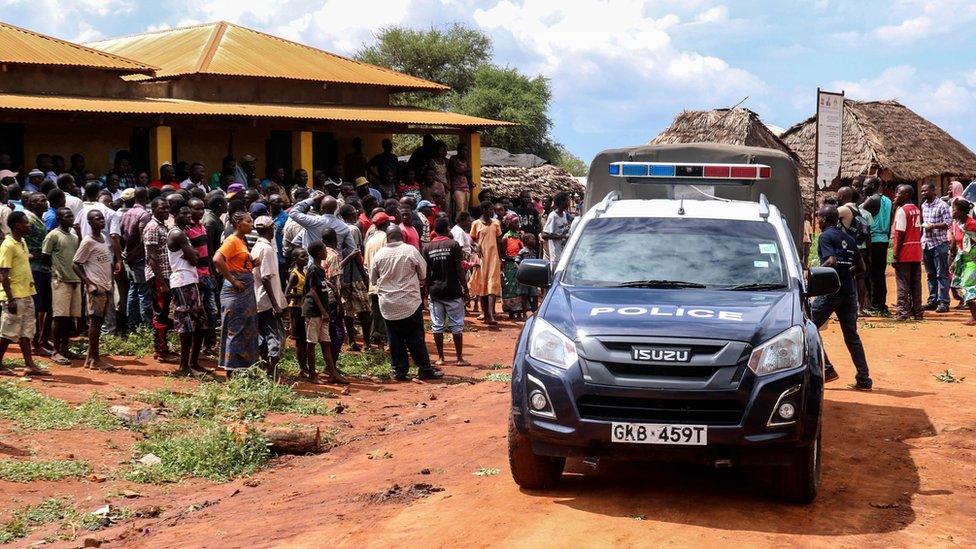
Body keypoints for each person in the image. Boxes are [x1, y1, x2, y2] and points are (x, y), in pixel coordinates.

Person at [811, 205, 872, 391]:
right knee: (852, 336)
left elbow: (831, 261)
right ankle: (864, 379)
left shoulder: (825, 237)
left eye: (818, 218)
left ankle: (827, 369)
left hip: (830, 292)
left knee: (809, 329)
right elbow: (861, 267)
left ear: (823, 219)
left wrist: (814, 276)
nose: (817, 221)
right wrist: (845, 274)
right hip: (848, 291)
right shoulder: (848, 238)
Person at [370, 226, 443, 381]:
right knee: (415, 337)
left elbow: (373, 279)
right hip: (409, 302)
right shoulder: (410, 250)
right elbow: (423, 273)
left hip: (388, 304)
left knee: (394, 338)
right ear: (401, 235)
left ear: (387, 238)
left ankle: (399, 371)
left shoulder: (379, 254)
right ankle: (424, 369)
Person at [165, 203, 210, 376]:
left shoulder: (183, 233)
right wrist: (193, 254)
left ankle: (193, 362)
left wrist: (193, 254)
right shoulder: (177, 233)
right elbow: (194, 258)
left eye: (188, 213)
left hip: (191, 279)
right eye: (183, 213)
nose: (188, 216)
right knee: (187, 323)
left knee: (199, 320)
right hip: (182, 281)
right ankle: (184, 366)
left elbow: (195, 256)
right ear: (174, 214)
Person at [213, 211, 259, 375]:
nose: (252, 224)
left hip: (244, 288)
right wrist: (233, 280)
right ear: (239, 224)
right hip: (236, 290)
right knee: (235, 328)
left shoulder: (241, 241)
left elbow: (238, 263)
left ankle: (243, 368)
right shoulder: (232, 240)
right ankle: (231, 371)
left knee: (246, 325)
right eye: (249, 221)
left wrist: (252, 264)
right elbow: (217, 259)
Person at [0, 211, 46, 376]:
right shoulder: (8, 245)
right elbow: (3, 274)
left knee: (27, 331)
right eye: (26, 223)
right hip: (14, 295)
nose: (29, 225)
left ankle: (30, 365)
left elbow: (22, 261)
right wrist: (10, 299)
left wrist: (33, 256)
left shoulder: (22, 242)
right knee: (8, 332)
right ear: (17, 225)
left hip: (26, 292)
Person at [71, 210, 115, 370]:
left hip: (106, 285)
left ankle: (91, 358)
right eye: (97, 219)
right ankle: (95, 360)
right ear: (89, 222)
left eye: (102, 219)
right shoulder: (88, 241)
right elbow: (75, 264)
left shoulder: (103, 238)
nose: (101, 222)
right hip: (96, 286)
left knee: (99, 321)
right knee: (95, 323)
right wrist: (89, 283)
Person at [423, 217, 469, 366]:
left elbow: (426, 272)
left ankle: (441, 358)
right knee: (456, 326)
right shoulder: (453, 245)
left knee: (437, 326)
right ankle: (459, 358)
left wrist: (426, 291)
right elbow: (459, 269)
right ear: (447, 229)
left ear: (435, 230)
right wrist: (465, 289)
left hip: (435, 292)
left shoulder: (427, 248)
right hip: (452, 290)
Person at [41, 207, 83, 365]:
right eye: (67, 216)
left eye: (71, 216)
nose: (71, 219)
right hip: (60, 280)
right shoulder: (53, 235)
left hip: (75, 280)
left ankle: (65, 348)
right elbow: (45, 256)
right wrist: (55, 272)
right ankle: (56, 351)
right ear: (59, 218)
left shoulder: (73, 237)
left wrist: (79, 233)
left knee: (69, 318)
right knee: (59, 317)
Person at [302, 241, 347, 384]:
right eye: (324, 250)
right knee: (312, 342)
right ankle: (312, 374)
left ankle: (333, 373)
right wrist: (323, 311)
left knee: (326, 342)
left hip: (322, 312)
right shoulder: (314, 269)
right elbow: (313, 292)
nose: (326, 252)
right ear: (318, 253)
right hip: (313, 312)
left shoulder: (320, 269)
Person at [251, 216, 286, 374]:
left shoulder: (257, 247)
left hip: (258, 298)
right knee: (275, 336)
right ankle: (272, 371)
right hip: (267, 300)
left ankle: (265, 368)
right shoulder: (267, 249)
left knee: (263, 336)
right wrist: (275, 304)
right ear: (271, 228)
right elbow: (266, 277)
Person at [144, 198, 177, 362]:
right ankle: (161, 351)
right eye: (162, 208)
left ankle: (163, 347)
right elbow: (151, 257)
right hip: (158, 277)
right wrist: (162, 282)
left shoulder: (163, 226)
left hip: (166, 275)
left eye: (168, 208)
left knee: (164, 312)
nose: (166, 211)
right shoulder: (152, 227)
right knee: (160, 313)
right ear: (154, 209)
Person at [340, 204, 371, 351]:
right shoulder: (353, 229)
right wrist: (365, 275)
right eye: (354, 212)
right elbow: (356, 253)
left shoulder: (338, 227)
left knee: (348, 310)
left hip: (342, 275)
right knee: (364, 309)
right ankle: (366, 343)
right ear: (350, 215)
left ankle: (352, 341)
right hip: (354, 275)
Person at [25, 193, 52, 355]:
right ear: (33, 204)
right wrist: (32, 254)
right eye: (41, 200)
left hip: (44, 268)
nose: (45, 202)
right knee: (36, 307)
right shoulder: (30, 220)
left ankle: (42, 339)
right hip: (34, 268)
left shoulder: (40, 219)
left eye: (45, 199)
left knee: (47, 306)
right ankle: (34, 344)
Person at [891, 184, 924, 321]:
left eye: (898, 194)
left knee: (903, 282)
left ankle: (903, 311)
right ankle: (917, 311)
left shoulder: (902, 211)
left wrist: (895, 254)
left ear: (906, 195)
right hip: (916, 250)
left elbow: (899, 234)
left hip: (905, 250)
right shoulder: (916, 209)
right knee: (916, 282)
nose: (895, 196)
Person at [288, 194, 357, 258]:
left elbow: (293, 212)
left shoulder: (313, 221)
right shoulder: (344, 227)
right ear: (336, 208)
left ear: (321, 208)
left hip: (313, 265)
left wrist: (312, 200)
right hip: (334, 266)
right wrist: (338, 254)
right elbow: (351, 248)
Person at [468, 201, 502, 325]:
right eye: (490, 209)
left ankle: (491, 315)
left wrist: (500, 258)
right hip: (481, 258)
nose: (492, 212)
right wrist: (476, 246)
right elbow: (471, 240)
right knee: (482, 285)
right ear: (484, 210)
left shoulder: (496, 223)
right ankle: (485, 313)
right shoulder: (476, 224)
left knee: (492, 284)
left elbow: (498, 242)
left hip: (493, 258)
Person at [919, 183, 951, 313]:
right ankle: (932, 300)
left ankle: (944, 302)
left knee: (941, 274)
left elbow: (948, 223)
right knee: (930, 274)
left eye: (925, 191)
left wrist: (933, 226)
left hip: (939, 244)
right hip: (927, 243)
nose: (923, 193)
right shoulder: (923, 205)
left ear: (933, 190)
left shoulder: (943, 205)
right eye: (921, 191)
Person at [862, 177, 892, 316]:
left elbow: (860, 216)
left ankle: (874, 304)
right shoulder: (888, 200)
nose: (863, 188)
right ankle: (881, 304)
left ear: (873, 185)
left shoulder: (871, 200)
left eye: (865, 185)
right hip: (884, 239)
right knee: (880, 274)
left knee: (871, 274)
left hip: (872, 240)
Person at [364, 212, 392, 349]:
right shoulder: (386, 238)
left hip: (372, 283)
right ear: (386, 224)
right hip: (386, 284)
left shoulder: (370, 241)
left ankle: (379, 344)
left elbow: (365, 264)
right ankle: (386, 343)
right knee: (387, 315)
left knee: (376, 313)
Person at [949, 199, 976, 325]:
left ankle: (975, 317)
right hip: (962, 259)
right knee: (959, 284)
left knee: (967, 285)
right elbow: (957, 241)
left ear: (962, 211)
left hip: (973, 260)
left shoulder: (972, 224)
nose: (952, 211)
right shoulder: (956, 223)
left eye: (954, 209)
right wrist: (954, 258)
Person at [285, 248, 311, 376]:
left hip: (303, 308)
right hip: (296, 309)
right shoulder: (294, 275)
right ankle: (302, 368)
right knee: (300, 341)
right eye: (303, 256)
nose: (306, 258)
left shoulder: (304, 272)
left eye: (306, 256)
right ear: (295, 259)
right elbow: (287, 294)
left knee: (304, 340)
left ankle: (305, 366)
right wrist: (301, 295)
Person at [500, 213, 525, 319]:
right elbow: (502, 254)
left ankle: (519, 311)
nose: (517, 225)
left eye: (517, 222)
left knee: (520, 288)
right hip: (510, 266)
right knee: (509, 288)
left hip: (520, 265)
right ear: (509, 224)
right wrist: (514, 258)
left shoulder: (520, 235)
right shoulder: (506, 237)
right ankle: (510, 312)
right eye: (515, 223)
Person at [542, 192, 572, 262]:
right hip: (556, 255)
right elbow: (544, 235)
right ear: (562, 202)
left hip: (563, 252)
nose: (569, 204)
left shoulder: (564, 214)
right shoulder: (553, 216)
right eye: (567, 201)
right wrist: (562, 237)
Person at [517, 233, 540, 312]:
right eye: (532, 239)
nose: (535, 240)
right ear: (526, 241)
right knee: (524, 295)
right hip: (524, 277)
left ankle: (535, 311)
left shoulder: (534, 252)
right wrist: (521, 271)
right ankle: (524, 313)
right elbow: (517, 261)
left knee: (535, 294)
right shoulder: (523, 251)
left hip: (533, 277)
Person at [449, 143, 472, 215]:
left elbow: (469, 173)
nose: (464, 151)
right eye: (462, 149)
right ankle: (459, 223)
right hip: (457, 185)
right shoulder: (453, 158)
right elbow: (455, 170)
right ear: (458, 150)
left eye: (465, 150)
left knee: (465, 208)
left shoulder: (466, 160)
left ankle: (465, 224)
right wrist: (465, 170)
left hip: (465, 185)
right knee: (460, 208)